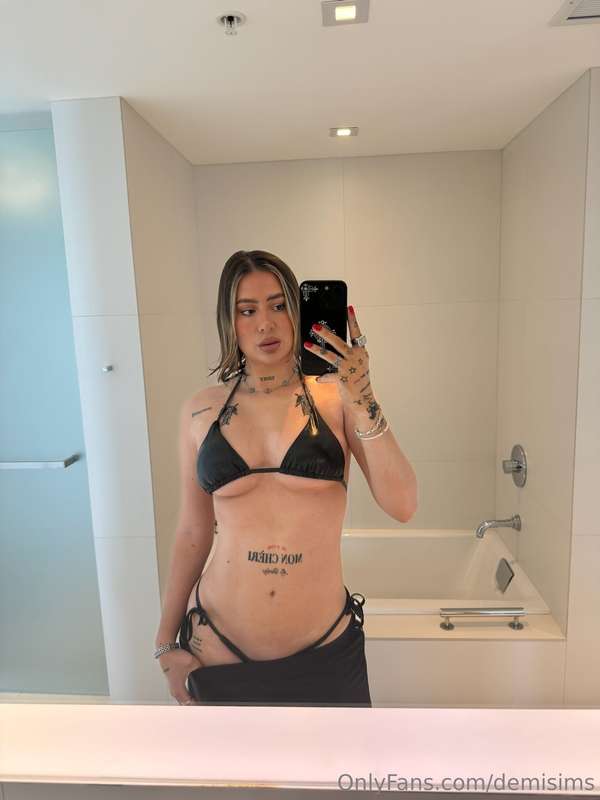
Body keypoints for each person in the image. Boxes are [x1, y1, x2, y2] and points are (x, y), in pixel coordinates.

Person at [153, 250, 392, 707]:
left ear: (297, 312)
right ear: (229, 322)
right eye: (247, 310)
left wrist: (364, 397)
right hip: (217, 649)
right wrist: (165, 643)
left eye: (279, 305)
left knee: (343, 756)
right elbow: (192, 532)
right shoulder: (201, 410)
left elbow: (402, 503)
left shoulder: (338, 399)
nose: (265, 323)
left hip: (325, 651)